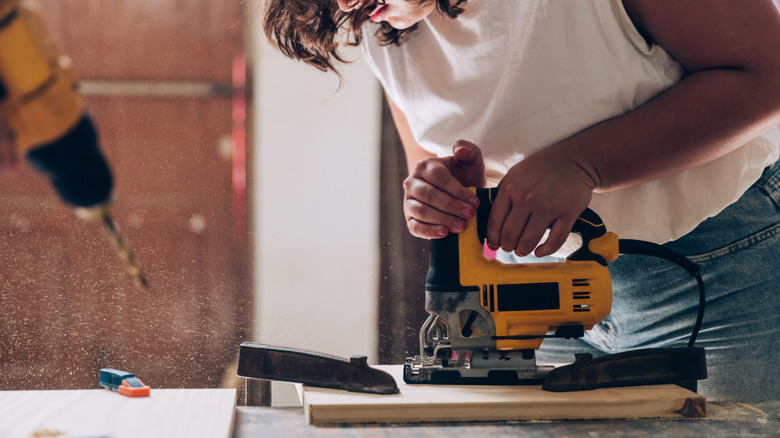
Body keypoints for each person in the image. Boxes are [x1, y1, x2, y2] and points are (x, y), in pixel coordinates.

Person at [262, 0, 780, 401]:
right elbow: (432, 158)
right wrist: (437, 194)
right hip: (531, 293)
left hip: (716, 267)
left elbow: (767, 73)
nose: (346, 6)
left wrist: (585, 164)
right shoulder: (380, 19)